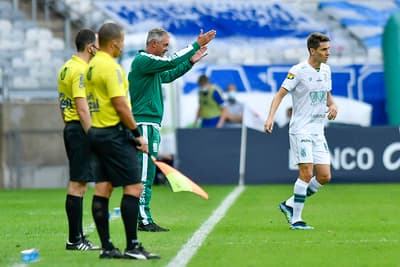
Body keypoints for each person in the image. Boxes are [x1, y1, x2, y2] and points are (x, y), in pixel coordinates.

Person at [128, 27, 216, 232]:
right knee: (144, 173)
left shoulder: (151, 67)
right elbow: (170, 63)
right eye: (165, 45)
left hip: (150, 125)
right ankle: (143, 218)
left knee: (147, 173)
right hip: (144, 124)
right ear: (153, 44)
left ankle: (143, 216)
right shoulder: (143, 61)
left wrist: (191, 61)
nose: (167, 49)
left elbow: (169, 74)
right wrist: (196, 43)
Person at [85, 22, 159, 259]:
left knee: (103, 188)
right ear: (115, 43)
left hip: (96, 131)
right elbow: (120, 104)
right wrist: (137, 134)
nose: (123, 46)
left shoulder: (92, 66)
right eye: (123, 42)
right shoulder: (110, 67)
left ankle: (107, 247)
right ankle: (133, 246)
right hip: (114, 133)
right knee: (134, 187)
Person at [264, 32, 338, 230]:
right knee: (306, 173)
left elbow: (327, 95)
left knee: (324, 176)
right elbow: (279, 96)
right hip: (301, 129)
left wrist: (333, 106)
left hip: (317, 130)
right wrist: (270, 117)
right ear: (312, 51)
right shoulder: (298, 71)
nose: (327, 53)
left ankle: (288, 204)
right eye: (324, 50)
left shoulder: (326, 71)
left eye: (328, 49)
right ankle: (296, 219)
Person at [57, 29, 99, 251]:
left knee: (79, 182)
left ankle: (77, 237)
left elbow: (62, 103)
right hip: (80, 130)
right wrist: (92, 134)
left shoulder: (66, 67)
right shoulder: (81, 70)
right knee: (78, 183)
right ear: (90, 47)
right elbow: (82, 107)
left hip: (71, 127)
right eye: (98, 45)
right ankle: (74, 239)